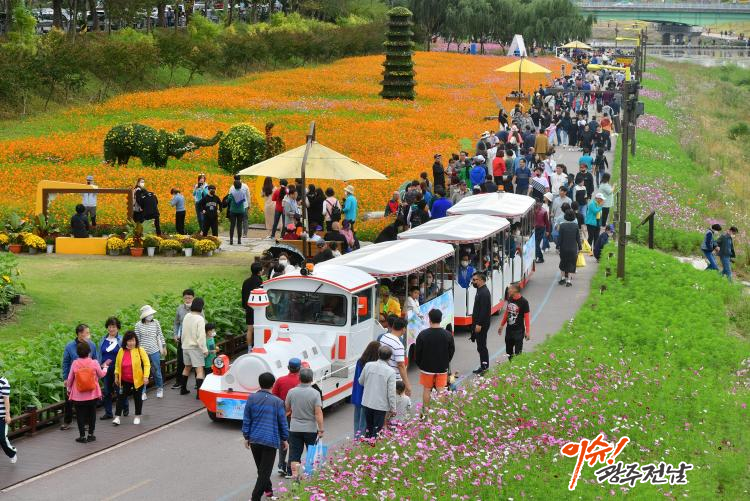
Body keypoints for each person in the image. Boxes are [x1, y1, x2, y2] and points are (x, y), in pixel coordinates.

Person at [242, 372, 288, 501]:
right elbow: (282, 422)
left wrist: (246, 436)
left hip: (255, 440)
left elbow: (246, 419)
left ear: (259, 384)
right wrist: (284, 438)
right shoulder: (277, 402)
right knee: (264, 472)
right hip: (270, 441)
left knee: (262, 470)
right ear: (273, 385)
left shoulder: (251, 398)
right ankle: (255, 497)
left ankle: (269, 493)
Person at [285, 368, 324, 480]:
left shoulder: (291, 392)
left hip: (294, 428)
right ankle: (309, 478)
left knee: (295, 455)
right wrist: (321, 429)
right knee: (311, 453)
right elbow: (318, 413)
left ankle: (295, 477)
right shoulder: (315, 393)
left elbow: (287, 408)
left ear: (299, 378)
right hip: (310, 429)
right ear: (311, 379)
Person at [414, 309, 455, 409]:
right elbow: (451, 351)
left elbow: (417, 353)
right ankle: (440, 413)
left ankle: (426, 411)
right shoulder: (448, 335)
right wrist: (446, 361)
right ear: (441, 319)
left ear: (430, 319)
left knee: (427, 389)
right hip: (442, 368)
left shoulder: (422, 334)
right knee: (441, 390)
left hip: (426, 368)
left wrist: (421, 364)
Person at [66, 342, 106, 443]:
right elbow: (101, 375)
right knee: (92, 414)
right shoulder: (94, 362)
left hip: (78, 395)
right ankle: (91, 435)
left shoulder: (75, 363)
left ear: (77, 352)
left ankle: (82, 436)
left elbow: (70, 379)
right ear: (89, 352)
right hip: (92, 394)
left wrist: (68, 389)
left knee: (80, 415)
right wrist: (105, 367)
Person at [60, 324, 99, 431]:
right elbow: (66, 363)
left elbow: (95, 360)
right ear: (80, 334)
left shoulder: (92, 345)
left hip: (88, 379)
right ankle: (67, 421)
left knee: (87, 400)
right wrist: (66, 378)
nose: (89, 335)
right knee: (68, 400)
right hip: (73, 378)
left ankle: (86, 423)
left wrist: (96, 376)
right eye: (87, 333)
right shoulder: (70, 346)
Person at [358, 345, 397, 439]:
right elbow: (391, 392)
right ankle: (373, 445)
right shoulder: (391, 371)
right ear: (389, 357)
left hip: (367, 402)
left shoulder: (368, 365)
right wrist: (393, 408)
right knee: (377, 430)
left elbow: (361, 381)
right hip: (380, 405)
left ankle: (367, 444)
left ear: (378, 354)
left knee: (369, 428)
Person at [112, 331, 150, 426]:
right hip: (124, 380)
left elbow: (147, 364)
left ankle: (137, 416)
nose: (131, 343)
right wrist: (116, 376)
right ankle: (117, 417)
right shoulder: (121, 351)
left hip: (137, 380)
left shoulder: (140, 350)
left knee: (137, 398)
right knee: (120, 398)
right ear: (125, 341)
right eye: (129, 341)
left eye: (133, 340)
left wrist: (146, 376)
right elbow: (117, 365)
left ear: (136, 341)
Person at [271, 358, 301, 476]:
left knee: (283, 440)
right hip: (296, 416)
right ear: (299, 369)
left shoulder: (280, 380)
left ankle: (281, 465)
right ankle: (289, 468)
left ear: (288, 368)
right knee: (293, 442)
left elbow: (274, 397)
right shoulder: (301, 382)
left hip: (282, 415)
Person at [134, 305, 166, 401]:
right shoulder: (138, 325)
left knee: (157, 370)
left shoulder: (156, 323)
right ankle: (143, 391)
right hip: (143, 352)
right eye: (149, 314)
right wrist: (137, 352)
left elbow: (160, 335)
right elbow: (137, 339)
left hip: (155, 350)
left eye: (152, 314)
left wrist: (164, 346)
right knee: (143, 372)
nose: (151, 316)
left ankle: (160, 388)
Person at [99, 317, 127, 420]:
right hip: (105, 369)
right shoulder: (103, 339)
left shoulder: (121, 340)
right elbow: (100, 354)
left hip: (117, 369)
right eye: (109, 327)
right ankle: (108, 413)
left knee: (119, 390)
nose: (111, 329)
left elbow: (125, 354)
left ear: (117, 328)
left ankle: (125, 406)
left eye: (113, 327)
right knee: (107, 391)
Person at [180, 297, 209, 397]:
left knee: (187, 367)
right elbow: (201, 337)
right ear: (201, 307)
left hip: (185, 346)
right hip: (195, 348)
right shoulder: (200, 319)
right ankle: (199, 394)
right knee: (199, 370)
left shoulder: (187, 316)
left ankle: (183, 389)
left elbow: (183, 332)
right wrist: (204, 350)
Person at [351, 342, 380, 438]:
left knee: (357, 418)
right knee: (364, 421)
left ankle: (356, 438)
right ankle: (361, 438)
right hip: (366, 394)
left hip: (357, 393)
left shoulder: (360, 361)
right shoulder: (374, 365)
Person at [379, 317, 412, 394]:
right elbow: (401, 366)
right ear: (403, 329)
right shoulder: (398, 345)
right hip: (395, 381)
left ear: (393, 326)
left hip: (383, 375)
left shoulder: (384, 337)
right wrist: (407, 385)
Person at [171, 289, 194, 390]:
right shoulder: (180, 308)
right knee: (180, 360)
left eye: (189, 298)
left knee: (196, 360)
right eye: (185, 298)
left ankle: (198, 382)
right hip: (182, 338)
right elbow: (176, 323)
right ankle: (179, 382)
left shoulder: (198, 308)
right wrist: (175, 334)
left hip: (194, 339)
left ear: (193, 298)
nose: (187, 300)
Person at [470, 272, 492, 374]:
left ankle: (485, 367)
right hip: (478, 323)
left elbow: (484, 310)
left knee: (482, 346)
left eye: (475, 280)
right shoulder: (480, 290)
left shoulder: (484, 293)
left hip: (481, 324)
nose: (473, 282)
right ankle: (483, 366)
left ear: (481, 280)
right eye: (473, 280)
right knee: (480, 347)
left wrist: (479, 324)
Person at [242, 263, 264, 349]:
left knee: (250, 330)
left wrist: (245, 307)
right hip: (259, 309)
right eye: (262, 269)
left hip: (249, 308)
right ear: (259, 272)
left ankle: (249, 348)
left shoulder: (246, 281)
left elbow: (243, 296)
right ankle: (258, 346)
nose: (263, 271)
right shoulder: (260, 282)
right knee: (259, 328)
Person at [558, 210, 582, 287]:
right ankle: (568, 281)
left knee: (563, 262)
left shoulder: (562, 226)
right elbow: (578, 238)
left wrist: (557, 247)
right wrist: (580, 247)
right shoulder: (576, 226)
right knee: (571, 264)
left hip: (563, 248)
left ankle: (562, 278)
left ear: (565, 216)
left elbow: (560, 238)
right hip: (573, 248)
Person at [0, 372, 17, 463]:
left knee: (2, 438)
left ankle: (12, 453)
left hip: (1, 416)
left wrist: (7, 415)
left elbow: (6, 400)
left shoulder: (3, 382)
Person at [228, 177, 248, 245]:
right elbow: (244, 200)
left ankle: (231, 240)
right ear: (240, 185)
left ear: (234, 185)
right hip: (241, 211)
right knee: (239, 225)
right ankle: (239, 240)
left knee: (232, 225)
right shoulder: (242, 192)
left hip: (233, 211)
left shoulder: (232, 193)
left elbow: (228, 200)